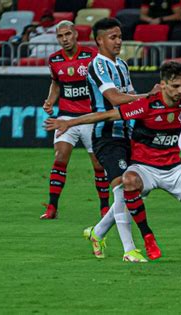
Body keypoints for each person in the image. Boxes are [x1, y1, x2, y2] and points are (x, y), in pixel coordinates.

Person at [45, 61, 181, 263]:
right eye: (175, 86)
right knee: (128, 181)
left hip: (174, 169)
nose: (180, 91)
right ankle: (148, 238)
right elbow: (107, 115)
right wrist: (71, 123)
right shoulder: (146, 105)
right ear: (162, 85)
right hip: (144, 168)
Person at [85, 17, 154, 262]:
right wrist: (150, 96)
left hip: (128, 134)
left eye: (119, 36)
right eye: (112, 37)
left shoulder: (122, 65)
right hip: (106, 135)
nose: (118, 41)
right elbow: (115, 98)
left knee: (138, 189)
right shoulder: (97, 65)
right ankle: (129, 250)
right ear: (99, 40)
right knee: (122, 189)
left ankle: (98, 231)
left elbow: (132, 97)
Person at [39, 20, 110, 220]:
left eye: (68, 34)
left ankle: (104, 207)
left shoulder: (92, 56)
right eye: (60, 36)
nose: (65, 39)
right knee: (60, 158)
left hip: (90, 117)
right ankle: (52, 207)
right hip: (65, 117)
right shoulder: (54, 60)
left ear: (76, 34)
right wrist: (50, 101)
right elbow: (56, 84)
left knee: (98, 165)